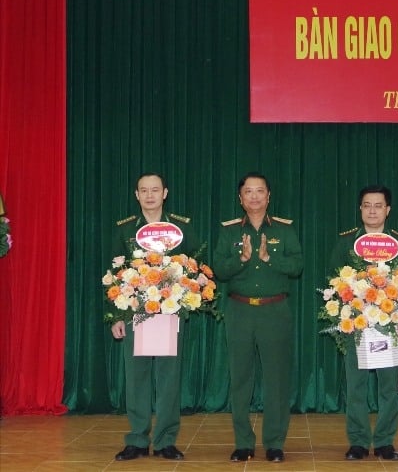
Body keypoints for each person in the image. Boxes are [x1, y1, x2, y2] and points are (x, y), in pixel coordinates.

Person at [213, 172, 303, 463]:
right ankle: (243, 443)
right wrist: (240, 260)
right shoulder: (229, 232)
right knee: (240, 379)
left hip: (275, 311)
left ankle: (275, 443)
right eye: (248, 192)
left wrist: (268, 258)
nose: (254, 196)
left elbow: (297, 266)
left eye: (259, 191)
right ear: (240, 198)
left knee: (276, 380)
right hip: (239, 311)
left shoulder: (285, 230)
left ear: (268, 196)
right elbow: (218, 271)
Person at [110, 172, 201, 461]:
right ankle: (137, 439)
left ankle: (165, 441)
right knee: (136, 378)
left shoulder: (182, 228)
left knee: (168, 379)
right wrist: (117, 316)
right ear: (136, 195)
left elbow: (197, 264)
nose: (149, 195)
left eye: (155, 190)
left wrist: (183, 290)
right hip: (136, 313)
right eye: (143, 191)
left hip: (170, 311)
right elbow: (114, 275)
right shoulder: (124, 230)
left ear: (165, 193)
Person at [327, 184, 398, 461]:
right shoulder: (345, 242)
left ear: (388, 210)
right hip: (356, 324)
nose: (372, 211)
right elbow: (333, 280)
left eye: (378, 206)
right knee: (356, 384)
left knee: (389, 386)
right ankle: (358, 442)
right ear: (360, 208)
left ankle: (386, 441)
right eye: (367, 205)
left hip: (389, 322)